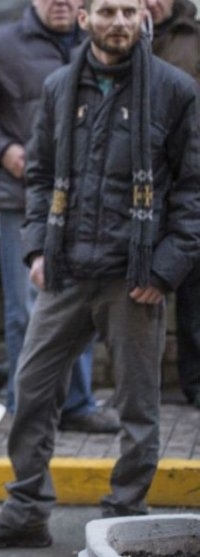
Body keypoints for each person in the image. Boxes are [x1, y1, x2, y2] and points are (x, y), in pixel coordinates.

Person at [0, 0, 200, 549]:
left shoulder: (174, 89)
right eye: (105, 10)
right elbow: (41, 175)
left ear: (142, 17)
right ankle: (26, 510)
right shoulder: (58, 87)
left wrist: (167, 267)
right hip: (66, 270)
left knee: (138, 410)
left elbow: (192, 190)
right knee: (31, 391)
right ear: (85, 18)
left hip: (135, 275)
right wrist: (36, 251)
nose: (117, 21)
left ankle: (126, 514)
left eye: (127, 10)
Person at [0, 0, 121, 434]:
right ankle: (32, 407)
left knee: (82, 305)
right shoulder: (0, 45)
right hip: (23, 200)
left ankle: (77, 404)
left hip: (86, 201)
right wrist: (3, 150)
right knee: (27, 309)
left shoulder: (96, 41)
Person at [147, 0, 200, 409]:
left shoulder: (193, 39)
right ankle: (142, 390)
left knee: (195, 297)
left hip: (190, 179)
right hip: (142, 187)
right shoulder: (125, 39)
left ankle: (195, 385)